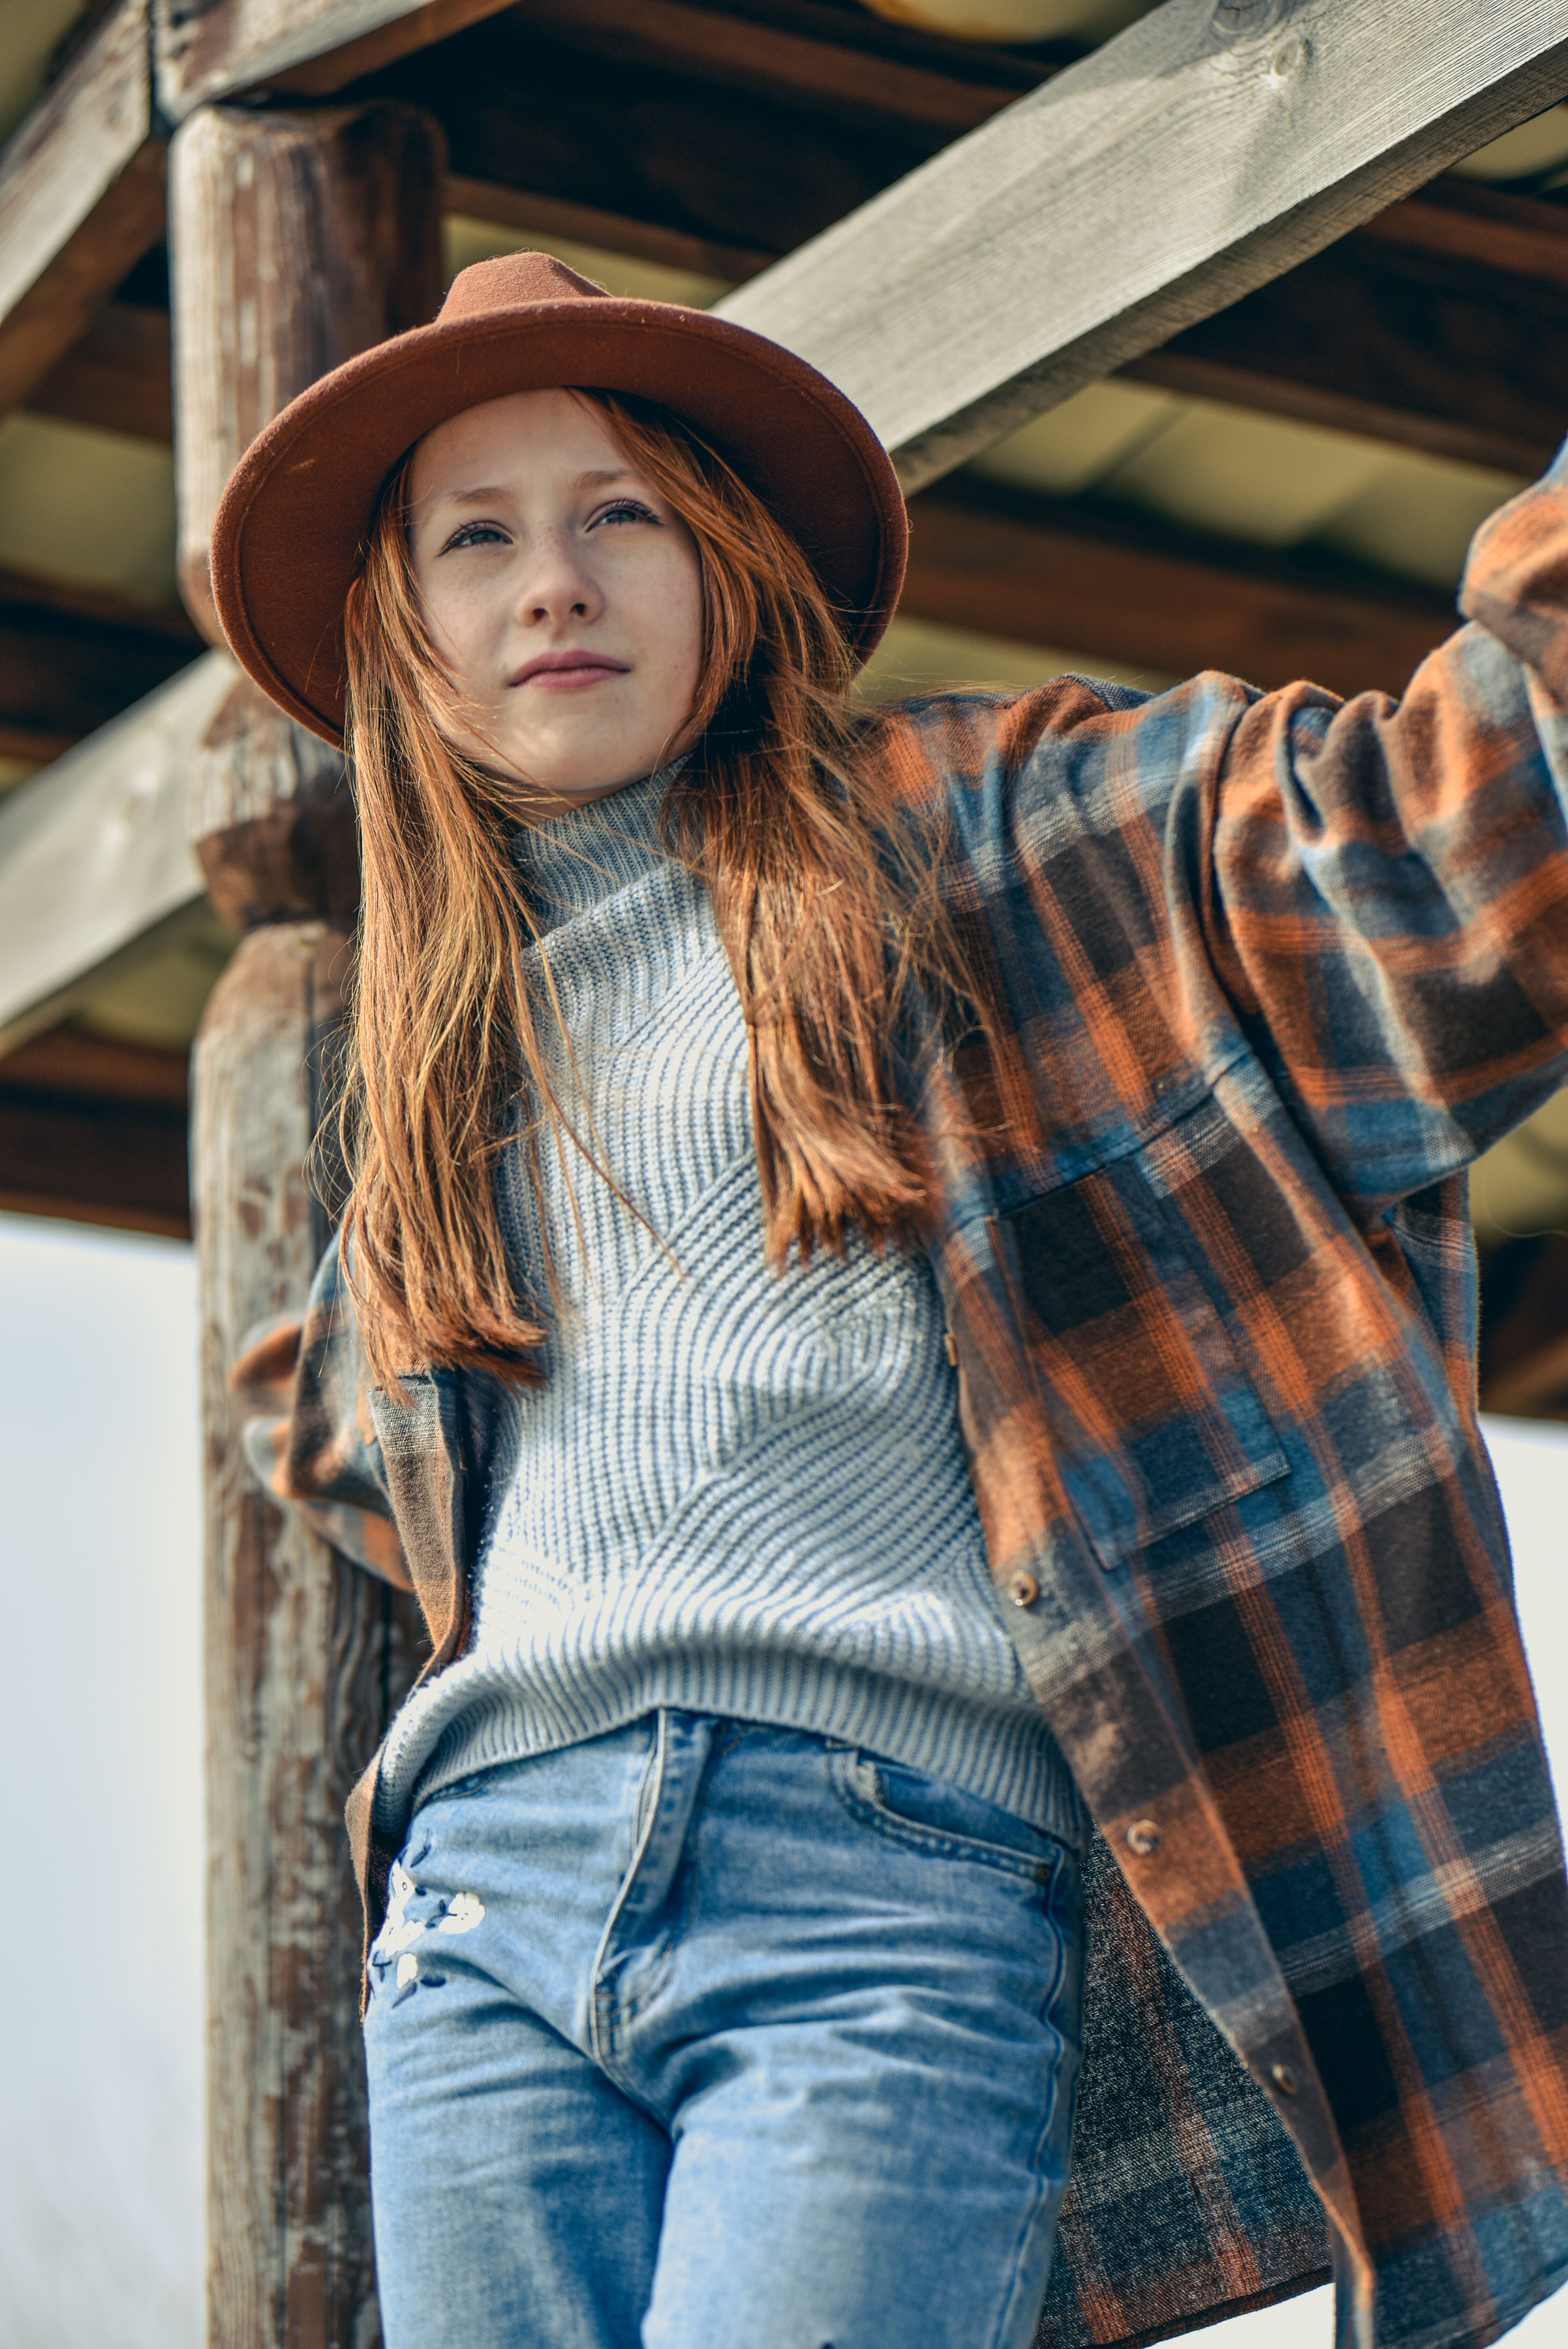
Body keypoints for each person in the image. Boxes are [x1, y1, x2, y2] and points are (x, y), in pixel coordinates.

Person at [218, 251, 1568, 2349]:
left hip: (886, 1887)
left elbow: (1442, 848)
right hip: (479, 1915)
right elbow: (330, 1408)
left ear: (731, 562)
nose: (548, 584)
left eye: (618, 514)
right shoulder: (442, 1056)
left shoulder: (997, 844)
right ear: (410, 641)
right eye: (471, 539)